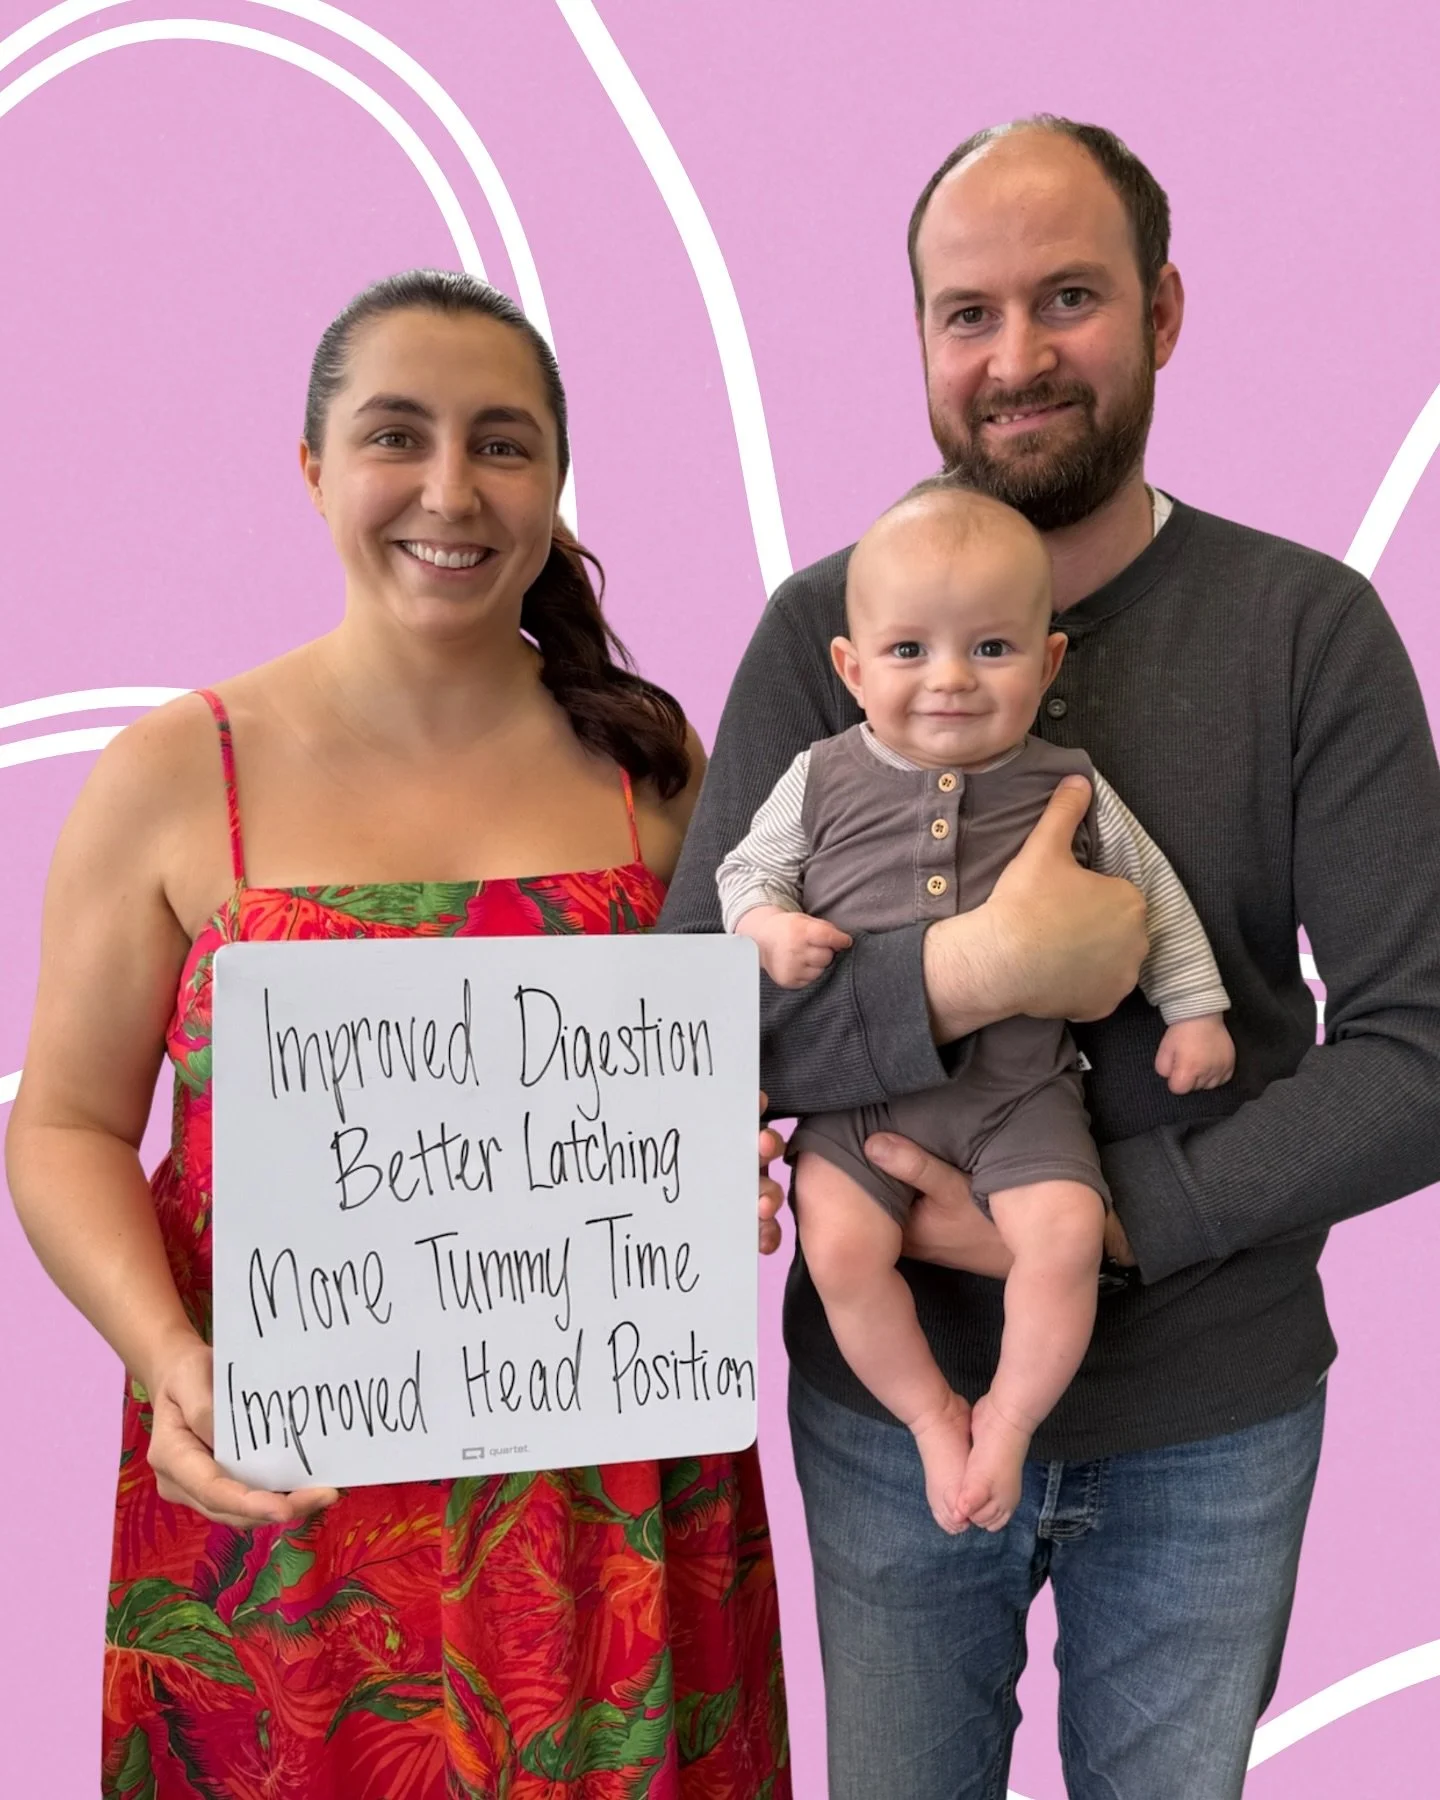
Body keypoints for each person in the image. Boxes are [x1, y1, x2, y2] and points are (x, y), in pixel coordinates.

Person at [665, 116, 1440, 1800]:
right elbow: (689, 1019)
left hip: (1215, 1418)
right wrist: (974, 974)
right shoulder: (821, 633)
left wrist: (1119, 1232)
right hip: (886, 1414)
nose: (1016, 357)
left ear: (1162, 310)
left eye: (1069, 297)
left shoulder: (1306, 633)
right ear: (924, 343)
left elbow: (1421, 1052)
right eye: (969, 313)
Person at [5, 270, 789, 1799]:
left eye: (503, 444)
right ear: (314, 469)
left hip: (608, 1505)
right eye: (395, 435)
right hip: (278, 1506)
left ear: (556, 483)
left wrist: (718, 1170)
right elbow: (64, 1129)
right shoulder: (176, 774)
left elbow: (723, 1072)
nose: (450, 488)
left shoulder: (658, 767)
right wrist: (172, 1361)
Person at [718, 480, 1231, 1535]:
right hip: (859, 1110)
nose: (949, 680)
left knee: (1066, 1234)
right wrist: (768, 928)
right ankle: (927, 1410)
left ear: (1046, 665)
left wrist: (1195, 1008)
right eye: (909, 653)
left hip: (1020, 1095)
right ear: (851, 670)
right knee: (840, 1250)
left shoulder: (1068, 785)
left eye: (990, 651)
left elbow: (1153, 896)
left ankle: (1006, 1418)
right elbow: (744, 871)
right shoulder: (817, 777)